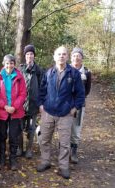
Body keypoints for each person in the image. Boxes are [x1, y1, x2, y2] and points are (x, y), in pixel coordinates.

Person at [37, 46, 85, 179]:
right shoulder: (49, 72)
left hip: (65, 113)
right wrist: (41, 105)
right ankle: (45, 161)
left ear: (67, 57)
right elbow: (42, 91)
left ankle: (63, 167)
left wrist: (75, 108)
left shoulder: (74, 73)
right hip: (48, 111)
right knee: (44, 139)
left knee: (64, 142)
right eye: (59, 54)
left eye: (64, 54)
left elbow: (80, 94)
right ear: (54, 56)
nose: (61, 56)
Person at [0, 54, 27, 170]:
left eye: (11, 63)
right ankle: (2, 157)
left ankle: (13, 158)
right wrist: (5, 106)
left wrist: (15, 107)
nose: (9, 65)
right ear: (4, 64)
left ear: (14, 64)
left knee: (13, 136)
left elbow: (23, 94)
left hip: (16, 112)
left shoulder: (19, 77)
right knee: (1, 135)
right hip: (2, 111)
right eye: (7, 63)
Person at [17, 44, 43, 159]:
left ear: (34, 56)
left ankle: (29, 150)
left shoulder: (38, 70)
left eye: (31, 54)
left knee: (32, 128)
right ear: (25, 56)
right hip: (21, 105)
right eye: (27, 54)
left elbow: (43, 88)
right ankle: (19, 148)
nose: (29, 56)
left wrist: (41, 103)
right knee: (19, 128)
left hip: (33, 105)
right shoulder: (20, 69)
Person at [70, 47, 92, 164]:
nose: (76, 58)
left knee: (76, 128)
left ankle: (73, 152)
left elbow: (87, 90)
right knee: (64, 127)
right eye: (74, 56)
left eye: (78, 56)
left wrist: (78, 101)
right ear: (71, 57)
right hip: (65, 105)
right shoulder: (66, 69)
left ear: (82, 58)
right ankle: (64, 150)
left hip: (79, 105)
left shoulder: (86, 72)